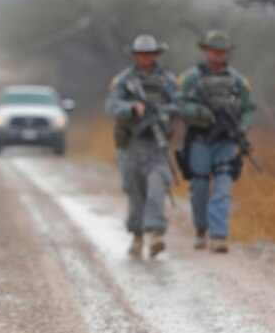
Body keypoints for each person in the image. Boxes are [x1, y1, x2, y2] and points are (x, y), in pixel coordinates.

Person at [177, 30, 254, 253]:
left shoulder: (238, 80)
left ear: (227, 53)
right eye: (214, 50)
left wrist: (243, 126)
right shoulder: (192, 78)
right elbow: (178, 103)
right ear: (206, 51)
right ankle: (201, 229)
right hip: (200, 140)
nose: (218, 55)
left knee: (222, 187)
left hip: (226, 141)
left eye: (222, 51)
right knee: (199, 186)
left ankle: (219, 235)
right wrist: (197, 111)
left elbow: (249, 109)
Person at [106, 34, 180, 258]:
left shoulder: (166, 80)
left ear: (156, 54)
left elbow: (179, 103)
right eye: (141, 54)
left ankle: (155, 233)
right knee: (134, 190)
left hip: (156, 144)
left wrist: (162, 111)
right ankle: (137, 236)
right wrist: (132, 108)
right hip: (131, 144)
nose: (145, 57)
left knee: (157, 186)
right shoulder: (124, 80)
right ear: (135, 55)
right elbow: (112, 105)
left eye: (149, 53)